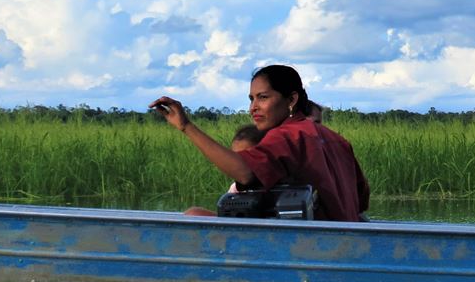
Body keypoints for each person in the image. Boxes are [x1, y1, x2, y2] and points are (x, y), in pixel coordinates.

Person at [151, 65, 369, 222]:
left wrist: (186, 126)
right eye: (251, 99)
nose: (253, 107)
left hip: (312, 248)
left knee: (193, 215)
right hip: (345, 243)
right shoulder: (336, 140)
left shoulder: (287, 135)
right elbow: (362, 200)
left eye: (263, 97)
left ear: (291, 100)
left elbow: (244, 173)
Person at [183, 124, 268, 217]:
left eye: (246, 158)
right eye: (236, 158)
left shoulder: (275, 183)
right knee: (193, 213)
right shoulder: (235, 189)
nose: (239, 164)